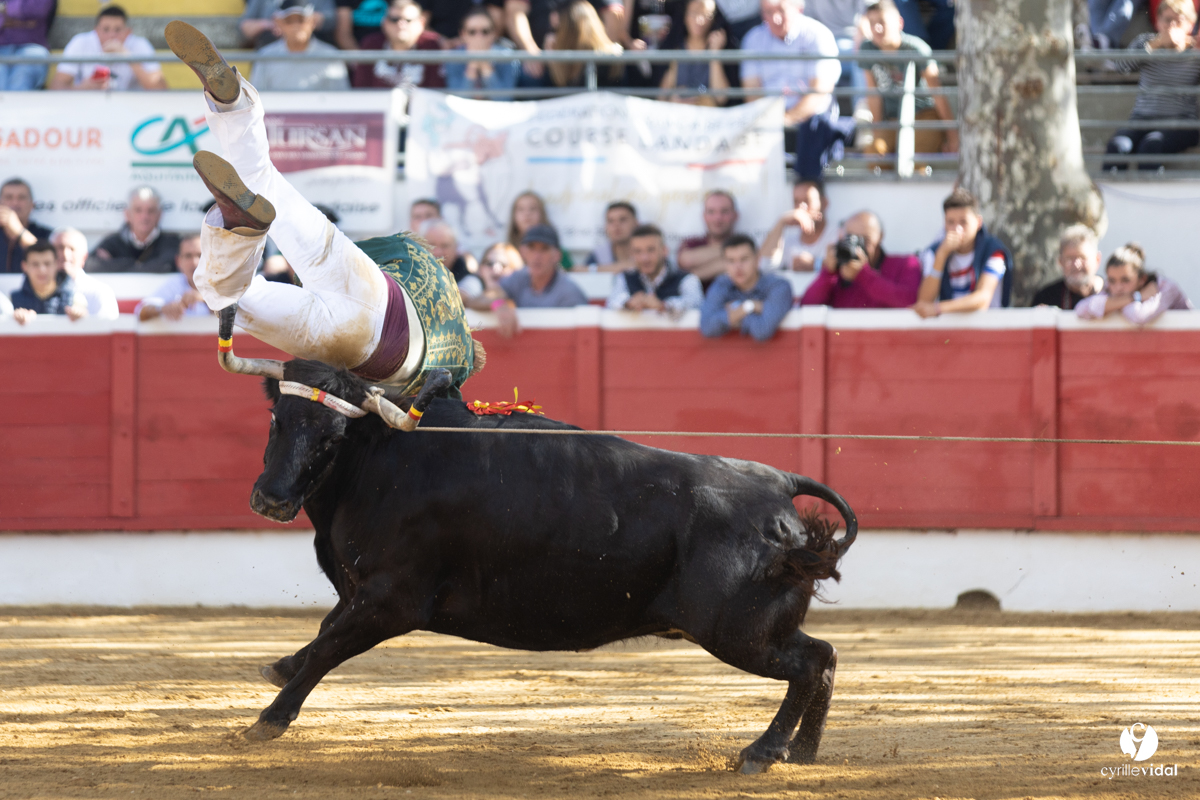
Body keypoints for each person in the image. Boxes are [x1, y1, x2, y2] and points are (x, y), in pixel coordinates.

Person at [165, 21, 482, 396]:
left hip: (371, 284)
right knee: (224, 292)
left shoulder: (426, 275)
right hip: (372, 351)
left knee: (263, 179)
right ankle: (238, 230)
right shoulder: (453, 360)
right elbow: (437, 403)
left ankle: (233, 107)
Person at [741, 0, 847, 180]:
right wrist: (773, 120)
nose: (775, 18)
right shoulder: (753, 39)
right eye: (768, 11)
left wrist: (786, 119)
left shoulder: (818, 34)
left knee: (815, 127)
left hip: (810, 121)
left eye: (781, 10)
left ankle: (808, 191)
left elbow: (820, 92)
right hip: (768, 120)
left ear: (799, 8)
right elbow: (752, 93)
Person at [1104, 0, 1200, 171]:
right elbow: (1120, 67)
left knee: (1151, 146)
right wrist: (1152, 47)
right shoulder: (1145, 43)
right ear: (1157, 21)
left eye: (1178, 21)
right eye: (1167, 20)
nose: (1171, 26)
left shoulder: (1195, 52)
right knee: (1117, 147)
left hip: (1180, 124)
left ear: (1191, 24)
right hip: (1142, 119)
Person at [860, 0, 958, 158]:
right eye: (871, 23)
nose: (877, 28)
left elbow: (938, 94)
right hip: (891, 119)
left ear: (899, 23)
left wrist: (953, 138)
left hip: (924, 116)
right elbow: (874, 95)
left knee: (915, 160)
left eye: (882, 22)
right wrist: (878, 133)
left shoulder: (917, 48)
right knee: (874, 156)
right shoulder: (867, 49)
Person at [471, 224, 587, 338]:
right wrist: (497, 304)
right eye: (531, 248)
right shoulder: (518, 278)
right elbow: (477, 301)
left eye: (544, 249)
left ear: (557, 255)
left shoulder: (570, 293)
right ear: (523, 252)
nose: (536, 256)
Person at [913, 187, 1012, 318]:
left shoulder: (993, 251)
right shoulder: (935, 252)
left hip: (987, 332)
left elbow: (982, 300)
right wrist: (941, 256)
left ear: (978, 222)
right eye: (950, 222)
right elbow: (924, 301)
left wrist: (938, 308)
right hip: (947, 335)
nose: (957, 228)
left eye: (963, 222)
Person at [799, 210, 922, 308]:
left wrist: (863, 275)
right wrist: (828, 273)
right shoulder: (838, 273)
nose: (858, 246)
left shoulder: (906, 263)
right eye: (851, 239)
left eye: (865, 239)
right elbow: (807, 307)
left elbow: (911, 301)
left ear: (880, 237)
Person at [700, 234, 795, 341]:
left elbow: (762, 331)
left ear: (757, 259)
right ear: (725, 264)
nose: (738, 267)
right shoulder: (722, 284)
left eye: (744, 259)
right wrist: (750, 307)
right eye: (731, 261)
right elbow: (707, 327)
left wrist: (736, 311)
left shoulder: (778, 286)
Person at [51, 5, 167, 91]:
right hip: (88, 110)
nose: (111, 35)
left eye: (117, 30)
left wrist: (129, 58)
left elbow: (161, 89)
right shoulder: (80, 42)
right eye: (106, 29)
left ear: (128, 32)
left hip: (129, 111)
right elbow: (56, 87)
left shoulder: (140, 45)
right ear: (96, 30)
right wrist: (83, 87)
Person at [1076, 243, 1193, 325]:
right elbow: (1082, 309)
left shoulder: (1165, 287)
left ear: (1142, 279)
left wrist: (1113, 304)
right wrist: (1137, 297)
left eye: (1125, 280)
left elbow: (1139, 316)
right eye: (1112, 280)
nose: (1118, 287)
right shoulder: (1112, 288)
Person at [251, 0, 350, 91]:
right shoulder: (265, 56)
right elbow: (257, 98)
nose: (296, 26)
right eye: (289, 21)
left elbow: (340, 100)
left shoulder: (331, 56)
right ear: (279, 23)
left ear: (312, 22)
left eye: (301, 20)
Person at [606, 224, 704, 313]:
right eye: (638, 251)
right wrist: (628, 303)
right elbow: (611, 303)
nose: (645, 258)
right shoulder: (625, 277)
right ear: (632, 254)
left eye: (651, 250)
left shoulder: (687, 279)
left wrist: (663, 306)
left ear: (664, 251)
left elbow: (696, 303)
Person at [353, 0, 446, 89]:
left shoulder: (431, 44)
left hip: (420, 104)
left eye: (408, 20)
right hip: (378, 104)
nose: (401, 25)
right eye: (394, 20)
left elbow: (437, 89)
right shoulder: (371, 44)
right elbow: (361, 87)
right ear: (385, 22)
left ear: (421, 23)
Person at [88, 187, 181, 274]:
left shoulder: (171, 242)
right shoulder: (113, 242)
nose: (145, 217)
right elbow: (90, 265)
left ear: (159, 215)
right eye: (138, 210)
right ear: (127, 214)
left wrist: (114, 263)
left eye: (151, 211)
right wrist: (140, 265)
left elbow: (167, 266)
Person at [660, 0, 730, 106]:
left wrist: (715, 53)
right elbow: (661, 97)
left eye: (706, 15)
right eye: (694, 13)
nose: (699, 20)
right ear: (685, 15)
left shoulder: (716, 50)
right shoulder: (677, 51)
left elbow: (721, 97)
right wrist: (673, 100)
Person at [759, 179, 837, 272]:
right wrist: (781, 222)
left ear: (824, 203)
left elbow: (847, 270)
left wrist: (816, 264)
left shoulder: (837, 235)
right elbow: (763, 266)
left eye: (807, 200)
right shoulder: (788, 237)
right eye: (796, 201)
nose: (801, 207)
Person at [547, 1, 628, 89]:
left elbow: (562, 86)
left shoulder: (607, 60)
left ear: (569, 31)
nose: (555, 36)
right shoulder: (613, 55)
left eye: (558, 30)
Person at [443, 7, 520, 100]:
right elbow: (457, 101)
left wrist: (486, 67)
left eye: (485, 31)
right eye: (472, 32)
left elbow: (504, 99)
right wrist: (472, 66)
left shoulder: (507, 56)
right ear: (463, 34)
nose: (479, 37)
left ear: (494, 33)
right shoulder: (453, 58)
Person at [136, 235, 212, 321]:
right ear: (179, 261)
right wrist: (163, 309)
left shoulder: (221, 283)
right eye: (188, 256)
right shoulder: (174, 284)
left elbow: (229, 313)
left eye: (200, 255)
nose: (194, 262)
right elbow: (141, 311)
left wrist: (205, 299)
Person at [10, 241, 88, 325]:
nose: (42, 270)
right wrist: (15, 317)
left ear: (56, 264)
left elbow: (87, 324)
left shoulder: (75, 298)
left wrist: (79, 314)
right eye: (35, 264)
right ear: (24, 266)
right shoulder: (11, 300)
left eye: (47, 264)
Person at [51, 228, 119, 321]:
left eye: (72, 249)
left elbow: (107, 330)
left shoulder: (100, 292)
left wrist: (85, 321)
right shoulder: (36, 289)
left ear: (84, 257)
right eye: (59, 248)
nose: (65, 255)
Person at [1031, 225, 1105, 310]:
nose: (1076, 264)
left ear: (1097, 259)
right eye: (1070, 259)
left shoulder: (1110, 291)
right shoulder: (1046, 297)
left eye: (1082, 258)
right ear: (1060, 261)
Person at [677, 189, 738, 283]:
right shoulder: (692, 242)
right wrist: (732, 256)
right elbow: (686, 261)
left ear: (735, 215)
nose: (718, 218)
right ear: (704, 216)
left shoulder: (743, 240)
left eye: (724, 211)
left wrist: (697, 273)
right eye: (711, 212)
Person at [507, 191, 573, 269]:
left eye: (533, 209)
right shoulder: (506, 252)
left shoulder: (555, 250)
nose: (527, 213)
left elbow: (571, 270)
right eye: (521, 209)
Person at [1, 178, 52, 274]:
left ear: (32, 204)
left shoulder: (47, 235)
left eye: (21, 197)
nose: (15, 203)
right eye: (9, 197)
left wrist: (19, 231)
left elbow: (47, 258)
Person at [0, 0, 54, 91]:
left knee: (27, 66)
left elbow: (38, 10)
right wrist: (24, 20)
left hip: (33, 46)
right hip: (2, 47)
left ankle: (16, 105)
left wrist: (4, 10)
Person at [241, 0, 338, 48]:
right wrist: (270, 24)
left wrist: (304, 22)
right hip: (271, 58)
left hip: (313, 56)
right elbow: (244, 26)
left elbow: (332, 20)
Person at [459, 241, 523, 300]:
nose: (495, 268)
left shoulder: (525, 288)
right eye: (489, 264)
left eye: (503, 265)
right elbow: (456, 300)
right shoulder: (474, 282)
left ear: (516, 271)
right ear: (481, 269)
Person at [586, 201, 638, 272]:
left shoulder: (648, 251)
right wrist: (619, 267)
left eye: (622, 220)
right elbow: (580, 271)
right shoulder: (599, 253)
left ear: (636, 223)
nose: (616, 225)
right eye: (611, 221)